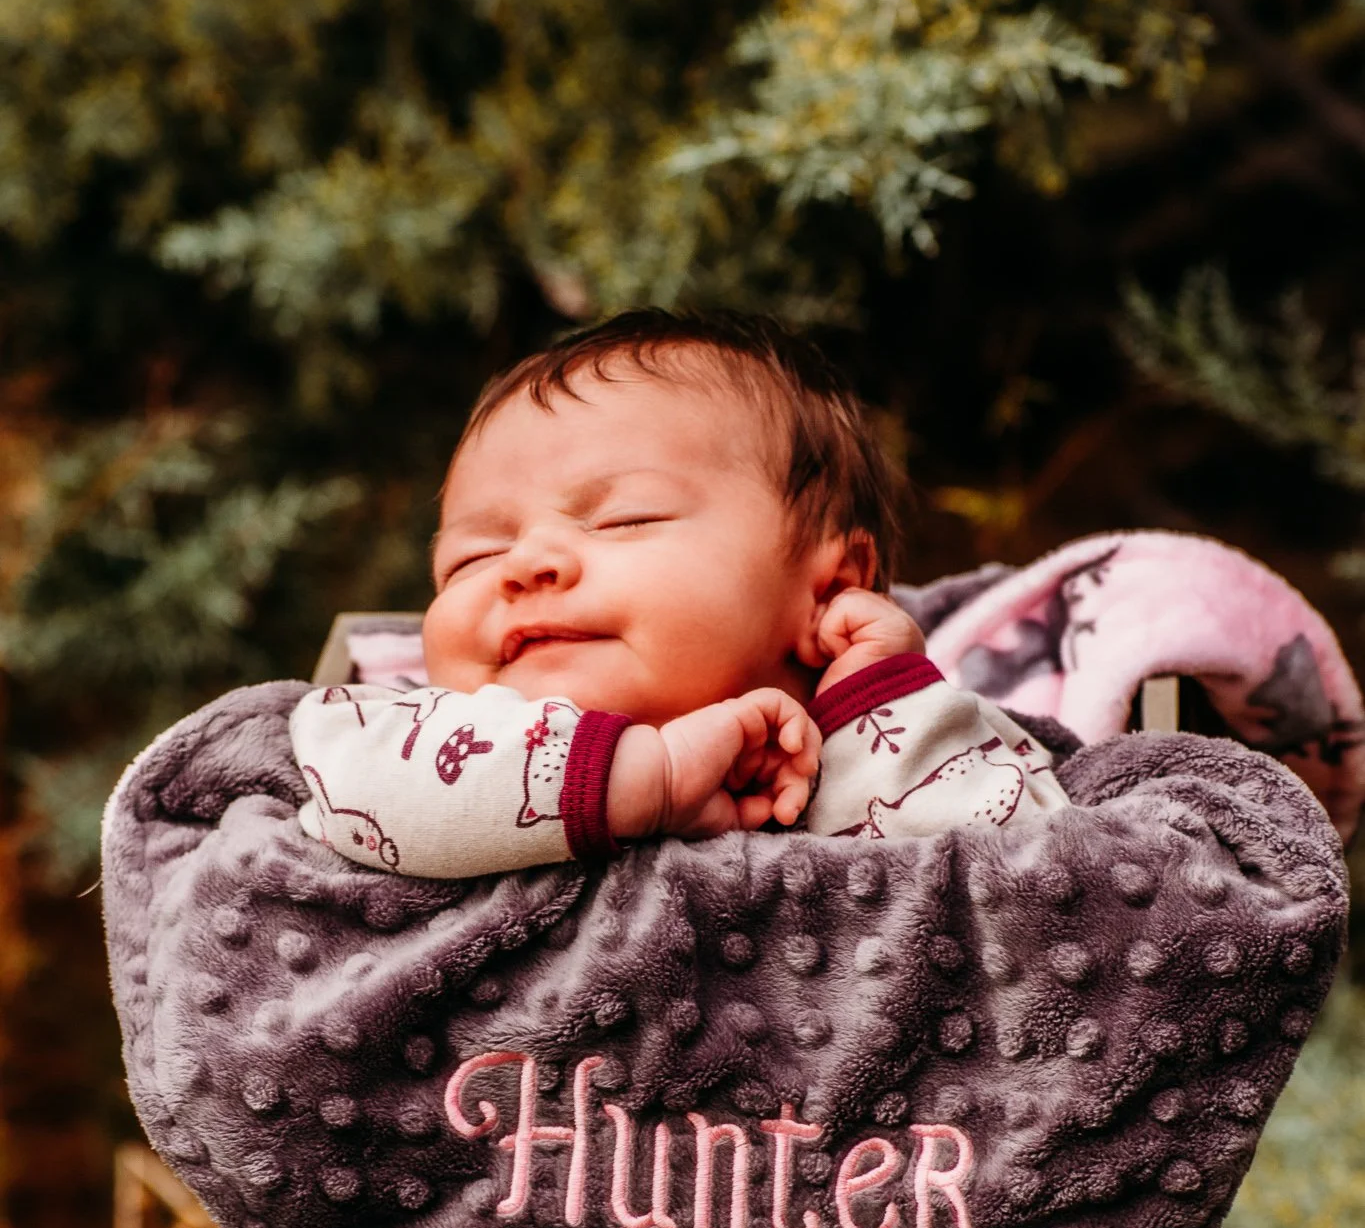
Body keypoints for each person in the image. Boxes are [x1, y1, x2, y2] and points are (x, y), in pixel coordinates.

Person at [290, 310, 1067, 877]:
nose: (523, 564)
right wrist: (647, 778)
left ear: (828, 588)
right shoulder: (400, 738)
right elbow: (355, 792)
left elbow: (1024, 885)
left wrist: (879, 704)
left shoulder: (918, 735)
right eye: (472, 557)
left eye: (624, 519)